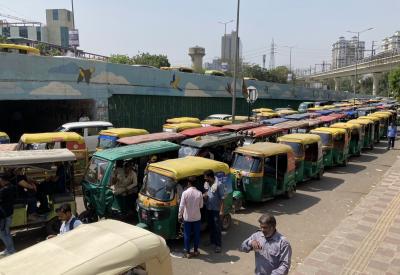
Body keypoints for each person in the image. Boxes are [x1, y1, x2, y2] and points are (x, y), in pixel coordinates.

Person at [178, 176, 203, 258]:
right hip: (196, 218)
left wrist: (179, 216)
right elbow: (201, 206)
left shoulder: (185, 193)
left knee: (187, 235)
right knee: (196, 235)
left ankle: (188, 252)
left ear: (188, 183)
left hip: (187, 218)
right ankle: (195, 251)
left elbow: (181, 206)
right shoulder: (199, 193)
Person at [203, 169, 224, 253]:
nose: (205, 179)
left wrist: (221, 211)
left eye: (206, 178)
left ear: (210, 177)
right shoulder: (207, 184)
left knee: (217, 227)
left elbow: (222, 199)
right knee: (210, 225)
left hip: (216, 210)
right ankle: (212, 241)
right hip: (209, 208)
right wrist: (205, 196)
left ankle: (218, 245)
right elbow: (207, 193)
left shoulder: (219, 185)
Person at [0, 174, 16, 256]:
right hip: (8, 213)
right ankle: (9, 249)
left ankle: (11, 251)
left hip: (4, 216)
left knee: (3, 234)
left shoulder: (4, 190)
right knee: (6, 233)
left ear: (4, 180)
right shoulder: (12, 187)